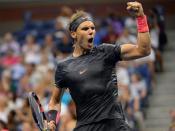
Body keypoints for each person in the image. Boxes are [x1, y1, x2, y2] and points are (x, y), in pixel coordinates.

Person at [48, 1, 151, 131]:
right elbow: (55, 101)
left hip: (114, 125)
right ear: (73, 34)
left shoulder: (106, 51)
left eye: (92, 28)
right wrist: (51, 120)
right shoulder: (64, 67)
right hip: (85, 127)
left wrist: (141, 18)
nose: (91, 31)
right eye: (85, 29)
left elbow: (143, 50)